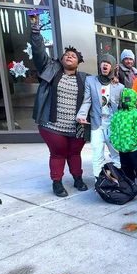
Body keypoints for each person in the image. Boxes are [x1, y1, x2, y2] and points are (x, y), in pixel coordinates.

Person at [30, 16, 88, 197]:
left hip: (77, 126)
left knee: (75, 152)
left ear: (78, 62)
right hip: (52, 124)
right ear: (61, 60)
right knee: (58, 153)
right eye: (67, 55)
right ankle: (57, 182)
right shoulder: (51, 69)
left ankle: (78, 178)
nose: (70, 56)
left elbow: (100, 87)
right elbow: (39, 52)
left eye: (74, 56)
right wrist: (35, 31)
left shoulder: (85, 78)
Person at [77, 55, 124, 176]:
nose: (105, 65)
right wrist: (82, 114)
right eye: (103, 62)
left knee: (116, 154)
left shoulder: (119, 86)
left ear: (112, 67)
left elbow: (121, 107)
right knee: (97, 154)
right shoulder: (90, 81)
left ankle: (117, 180)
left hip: (113, 124)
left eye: (108, 63)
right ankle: (98, 181)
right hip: (97, 123)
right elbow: (87, 100)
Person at [110, 88, 137, 199]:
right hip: (124, 148)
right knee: (126, 170)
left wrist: (124, 144)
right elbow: (113, 130)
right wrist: (117, 142)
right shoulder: (118, 115)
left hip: (134, 149)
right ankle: (131, 188)